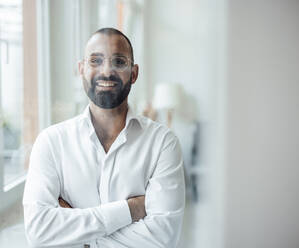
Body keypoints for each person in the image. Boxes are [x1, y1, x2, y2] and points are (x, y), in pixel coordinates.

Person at [23, 28, 185, 248]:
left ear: (134, 73)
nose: (106, 71)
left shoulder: (162, 143)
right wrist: (131, 209)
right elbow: (38, 232)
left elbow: (163, 238)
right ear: (81, 69)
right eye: (95, 61)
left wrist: (76, 231)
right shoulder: (51, 142)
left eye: (119, 62)